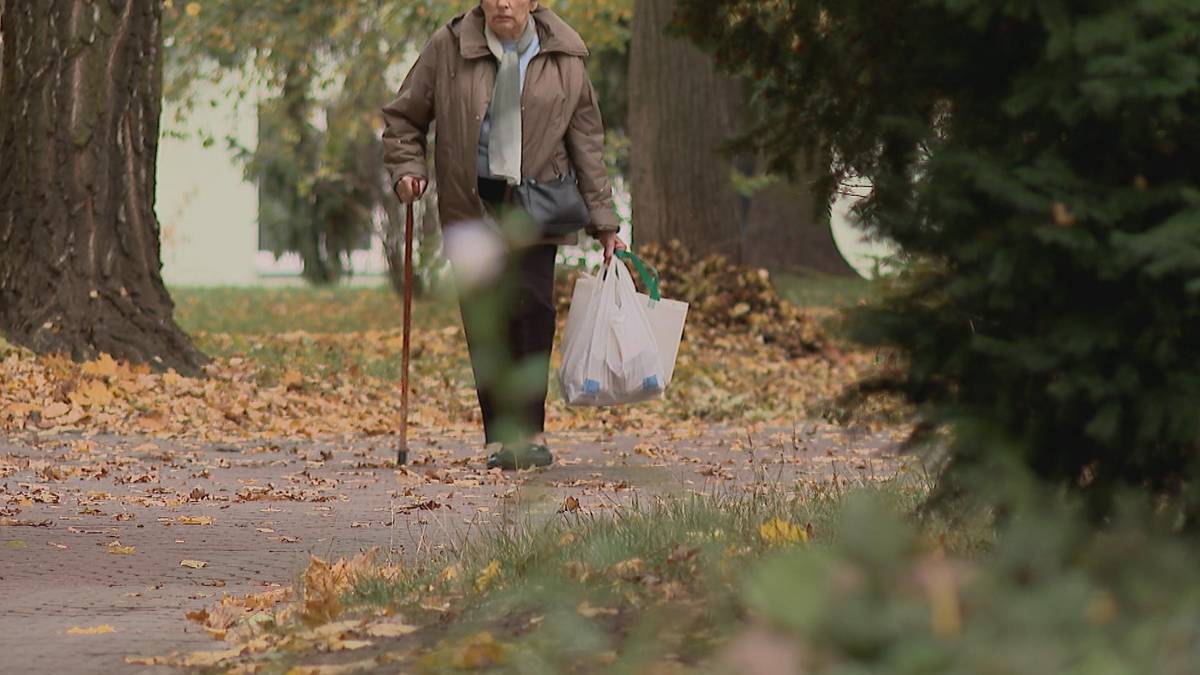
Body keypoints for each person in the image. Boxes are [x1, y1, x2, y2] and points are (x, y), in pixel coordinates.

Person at [381, 0, 625, 470]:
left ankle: (531, 431)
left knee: (533, 311)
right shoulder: (448, 48)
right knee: (486, 319)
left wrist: (606, 223)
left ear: (534, 2)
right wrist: (408, 170)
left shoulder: (565, 57)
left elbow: (587, 146)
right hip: (471, 204)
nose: (503, 3)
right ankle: (498, 437)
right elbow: (404, 118)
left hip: (537, 202)